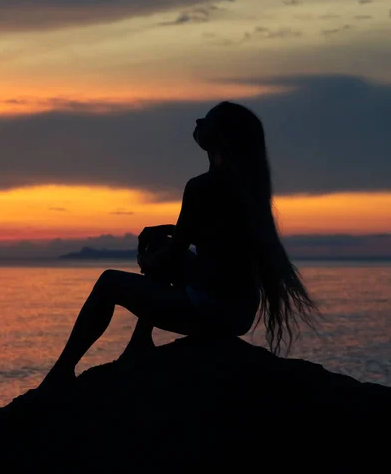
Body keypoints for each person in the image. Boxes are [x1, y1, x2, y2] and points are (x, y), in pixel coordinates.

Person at [38, 101, 319, 390]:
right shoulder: (247, 186)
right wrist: (168, 233)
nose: (197, 123)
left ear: (219, 136)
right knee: (162, 242)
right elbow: (219, 241)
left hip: (211, 312)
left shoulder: (201, 187)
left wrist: (145, 260)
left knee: (109, 282)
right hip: (240, 314)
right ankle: (139, 341)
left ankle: (62, 370)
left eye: (205, 121)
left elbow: (171, 257)